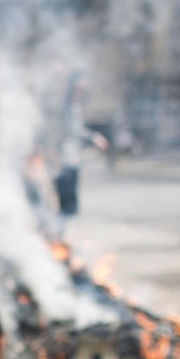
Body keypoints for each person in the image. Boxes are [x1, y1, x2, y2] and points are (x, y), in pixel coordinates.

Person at [52, 73, 108, 240]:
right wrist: (93, 138)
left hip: (71, 159)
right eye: (79, 89)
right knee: (67, 204)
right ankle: (61, 238)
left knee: (70, 204)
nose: (82, 93)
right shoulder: (66, 110)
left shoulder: (74, 108)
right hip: (63, 161)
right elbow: (71, 132)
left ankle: (63, 238)